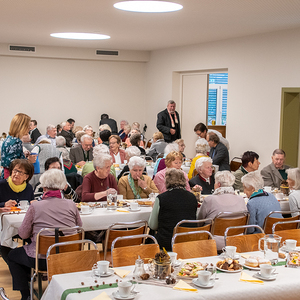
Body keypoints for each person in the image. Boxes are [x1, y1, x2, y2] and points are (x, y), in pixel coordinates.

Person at [7, 168, 82, 300]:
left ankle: (26, 295)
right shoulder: (71, 204)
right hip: (68, 256)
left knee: (13, 255)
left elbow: (23, 235)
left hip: (42, 259)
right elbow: (79, 228)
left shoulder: (36, 206)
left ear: (44, 186)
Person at [149, 168, 198, 251]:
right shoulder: (192, 197)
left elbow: (153, 225)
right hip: (188, 241)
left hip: (167, 242)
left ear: (166, 181)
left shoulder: (161, 198)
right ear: (183, 180)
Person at [197, 171, 247, 250]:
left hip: (213, 243)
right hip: (237, 241)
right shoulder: (241, 199)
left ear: (219, 185)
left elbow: (200, 222)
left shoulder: (210, 200)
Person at [1, 113, 37, 179]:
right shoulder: (17, 141)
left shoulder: (8, 139)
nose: (29, 128)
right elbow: (14, 165)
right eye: (28, 126)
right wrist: (29, 160)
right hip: (13, 178)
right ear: (22, 126)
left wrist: (22, 155)